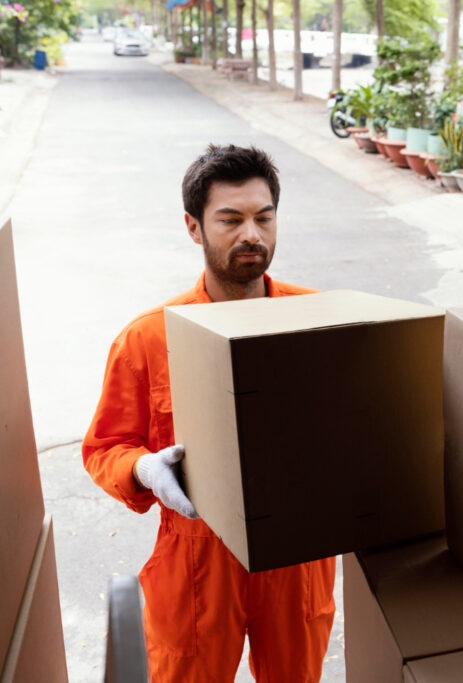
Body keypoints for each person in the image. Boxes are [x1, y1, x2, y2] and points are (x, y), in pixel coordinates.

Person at [83, 144, 336, 682]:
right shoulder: (150, 338)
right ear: (194, 228)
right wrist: (143, 468)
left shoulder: (319, 321)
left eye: (264, 218)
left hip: (296, 557)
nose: (252, 234)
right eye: (231, 219)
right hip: (196, 557)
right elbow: (105, 448)